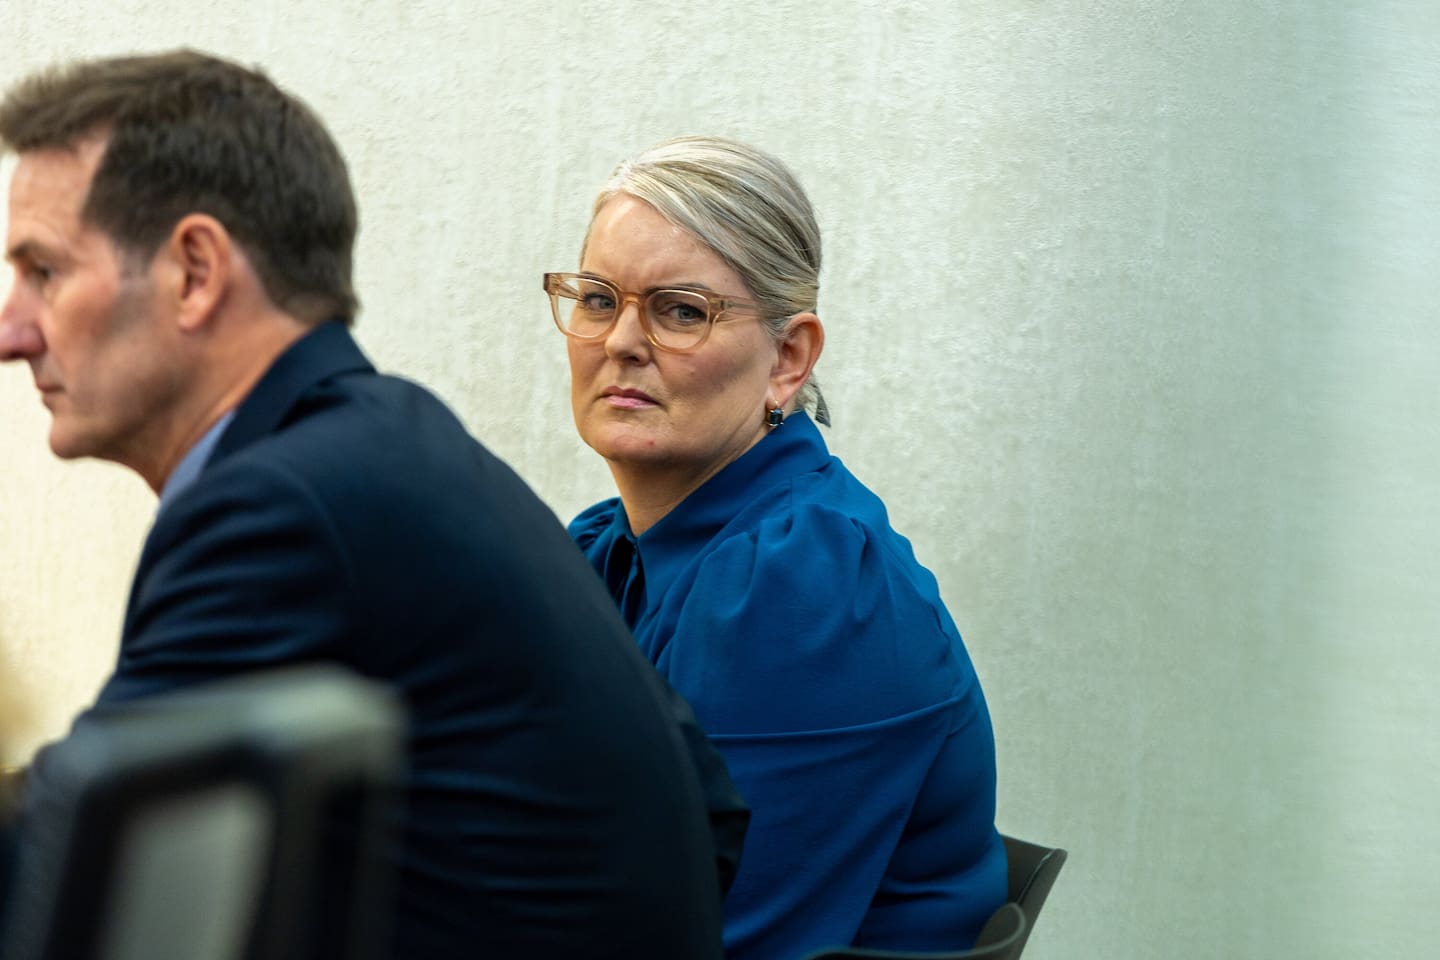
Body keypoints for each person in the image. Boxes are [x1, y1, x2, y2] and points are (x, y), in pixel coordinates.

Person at [0, 52, 745, 960]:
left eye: (42, 271)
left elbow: (78, 882)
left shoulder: (277, 508)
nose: (11, 329)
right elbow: (709, 810)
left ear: (195, 272)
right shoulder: (403, 447)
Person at [551, 136, 1007, 959]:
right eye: (596, 299)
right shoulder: (607, 550)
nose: (620, 340)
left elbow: (692, 935)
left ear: (787, 359)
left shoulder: (805, 587)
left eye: (680, 310)